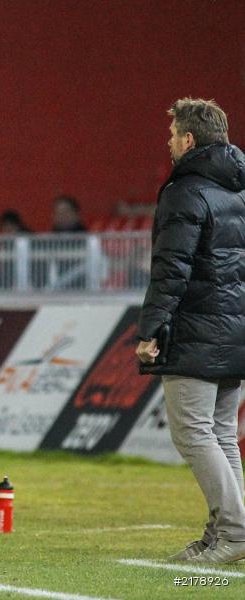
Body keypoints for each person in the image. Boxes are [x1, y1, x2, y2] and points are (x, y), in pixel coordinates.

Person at [136, 98, 245, 564]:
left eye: (172, 134)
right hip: (234, 327)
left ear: (189, 139)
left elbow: (172, 268)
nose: (168, 143)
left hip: (197, 327)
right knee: (220, 434)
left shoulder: (186, 189)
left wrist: (152, 327)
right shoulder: (237, 189)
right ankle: (224, 530)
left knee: (194, 434)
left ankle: (236, 533)